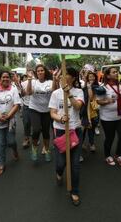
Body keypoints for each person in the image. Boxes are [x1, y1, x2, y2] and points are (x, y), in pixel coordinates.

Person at [49, 67, 84, 206]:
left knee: (75, 165)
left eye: (68, 74)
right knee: (61, 163)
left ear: (74, 78)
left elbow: (77, 107)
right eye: (63, 73)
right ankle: (59, 173)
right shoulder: (56, 94)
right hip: (60, 131)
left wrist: (68, 92)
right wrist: (60, 118)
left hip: (75, 130)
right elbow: (52, 112)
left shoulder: (79, 91)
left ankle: (75, 191)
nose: (64, 76)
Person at [96, 67, 121, 167]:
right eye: (114, 72)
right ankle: (107, 155)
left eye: (117, 72)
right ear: (108, 75)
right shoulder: (103, 87)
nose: (116, 73)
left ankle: (119, 154)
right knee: (110, 138)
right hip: (107, 118)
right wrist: (106, 101)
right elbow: (98, 101)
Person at [0, 71, 22, 175]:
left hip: (10, 121)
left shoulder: (14, 89)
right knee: (0, 143)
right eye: (3, 77)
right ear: (0, 79)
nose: (5, 79)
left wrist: (8, 116)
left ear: (10, 79)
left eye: (7, 77)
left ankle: (15, 151)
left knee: (11, 142)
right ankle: (1, 164)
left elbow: (16, 104)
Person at [26, 65, 59, 162]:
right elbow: (28, 92)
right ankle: (35, 148)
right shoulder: (33, 82)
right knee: (36, 130)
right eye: (38, 71)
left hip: (46, 111)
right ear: (36, 73)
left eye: (42, 70)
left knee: (46, 132)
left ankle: (47, 149)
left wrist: (54, 78)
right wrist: (29, 80)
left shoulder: (50, 82)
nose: (40, 72)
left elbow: (54, 91)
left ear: (45, 72)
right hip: (34, 109)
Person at [80, 70, 100, 157]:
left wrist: (89, 87)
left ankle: (92, 144)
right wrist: (86, 85)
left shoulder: (96, 87)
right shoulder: (84, 87)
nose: (91, 78)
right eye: (89, 77)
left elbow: (91, 98)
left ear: (95, 78)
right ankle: (81, 144)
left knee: (91, 129)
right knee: (82, 130)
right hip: (84, 112)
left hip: (93, 111)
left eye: (93, 77)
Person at [17, 71, 32, 148]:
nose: (30, 74)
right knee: (26, 123)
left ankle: (35, 137)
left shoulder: (37, 82)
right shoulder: (23, 83)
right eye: (29, 73)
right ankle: (26, 138)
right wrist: (19, 86)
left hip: (36, 106)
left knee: (36, 125)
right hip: (26, 105)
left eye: (32, 73)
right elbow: (22, 95)